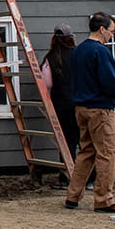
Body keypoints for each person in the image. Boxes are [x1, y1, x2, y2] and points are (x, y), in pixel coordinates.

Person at [64, 12, 115, 213]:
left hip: (81, 108)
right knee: (107, 153)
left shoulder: (79, 50)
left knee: (86, 152)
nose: (112, 36)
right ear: (102, 29)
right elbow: (109, 80)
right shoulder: (100, 51)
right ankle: (104, 199)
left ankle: (73, 195)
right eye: (111, 32)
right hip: (100, 110)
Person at [41, 24, 79, 189]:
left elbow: (46, 83)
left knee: (66, 142)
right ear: (71, 38)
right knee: (85, 142)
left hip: (61, 104)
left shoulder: (50, 58)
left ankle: (66, 177)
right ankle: (90, 178)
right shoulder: (79, 55)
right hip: (82, 103)